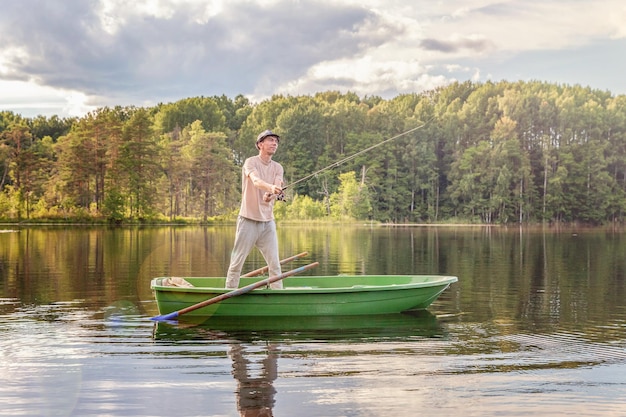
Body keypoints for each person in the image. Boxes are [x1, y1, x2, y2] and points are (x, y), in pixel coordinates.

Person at [225, 129, 285, 289]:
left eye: (276, 141)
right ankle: (229, 294)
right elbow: (256, 181)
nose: (274, 143)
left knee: (275, 265)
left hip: (268, 224)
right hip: (248, 221)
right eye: (270, 140)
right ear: (260, 144)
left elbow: (277, 185)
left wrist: (271, 194)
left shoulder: (278, 167)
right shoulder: (250, 162)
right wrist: (270, 188)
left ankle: (279, 297)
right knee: (236, 263)